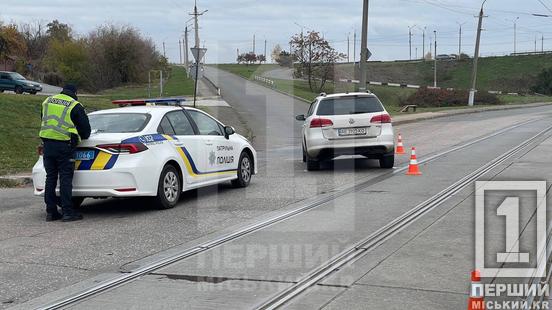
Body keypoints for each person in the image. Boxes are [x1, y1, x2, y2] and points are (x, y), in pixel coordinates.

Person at [39, 84, 91, 222]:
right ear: (75, 92)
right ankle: (68, 212)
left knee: (50, 178)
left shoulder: (47, 101)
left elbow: (44, 119)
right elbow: (86, 130)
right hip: (64, 146)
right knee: (65, 179)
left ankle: (51, 212)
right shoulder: (74, 105)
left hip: (47, 144)